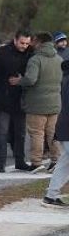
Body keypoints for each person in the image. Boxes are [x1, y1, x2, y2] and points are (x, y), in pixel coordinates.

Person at [0, 29, 34, 172]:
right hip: (4, 98)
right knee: (2, 132)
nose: (24, 46)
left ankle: (20, 161)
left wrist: (22, 80)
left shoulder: (31, 53)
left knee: (20, 133)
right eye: (22, 43)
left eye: (27, 43)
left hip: (21, 99)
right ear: (15, 40)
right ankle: (1, 163)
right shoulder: (1, 54)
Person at [18, 32, 63, 172]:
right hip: (55, 102)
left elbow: (31, 79)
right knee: (53, 133)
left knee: (37, 133)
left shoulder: (36, 59)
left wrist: (19, 81)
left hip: (37, 104)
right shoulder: (59, 59)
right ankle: (56, 160)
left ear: (39, 42)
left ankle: (36, 162)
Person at [41, 56, 69, 207]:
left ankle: (51, 195)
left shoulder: (65, 79)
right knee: (64, 163)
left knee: (64, 164)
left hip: (64, 127)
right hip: (66, 127)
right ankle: (51, 195)